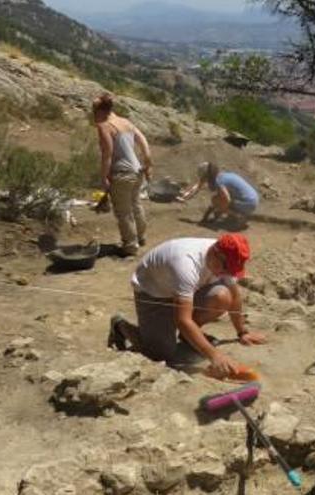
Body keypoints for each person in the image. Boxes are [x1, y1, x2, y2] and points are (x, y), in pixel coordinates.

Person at [108, 234, 267, 378]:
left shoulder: (224, 259)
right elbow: (182, 320)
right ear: (215, 253)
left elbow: (235, 296)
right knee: (160, 353)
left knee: (223, 296)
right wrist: (215, 356)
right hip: (154, 292)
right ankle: (120, 326)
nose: (226, 274)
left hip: (185, 290)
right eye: (225, 268)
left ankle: (188, 337)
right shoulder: (186, 264)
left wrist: (242, 332)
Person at [93, 93, 154, 256]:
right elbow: (144, 142)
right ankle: (141, 237)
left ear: (100, 111)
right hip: (137, 171)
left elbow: (107, 153)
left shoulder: (104, 126)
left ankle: (130, 245)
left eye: (94, 112)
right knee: (135, 204)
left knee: (123, 211)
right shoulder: (126, 122)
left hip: (121, 174)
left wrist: (103, 177)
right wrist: (147, 163)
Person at [178, 162, 259, 226]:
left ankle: (239, 216)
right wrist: (186, 195)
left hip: (247, 204)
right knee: (219, 200)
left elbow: (227, 199)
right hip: (253, 200)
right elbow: (199, 185)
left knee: (215, 200)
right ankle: (234, 215)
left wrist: (220, 209)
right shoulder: (223, 176)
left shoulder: (219, 181)